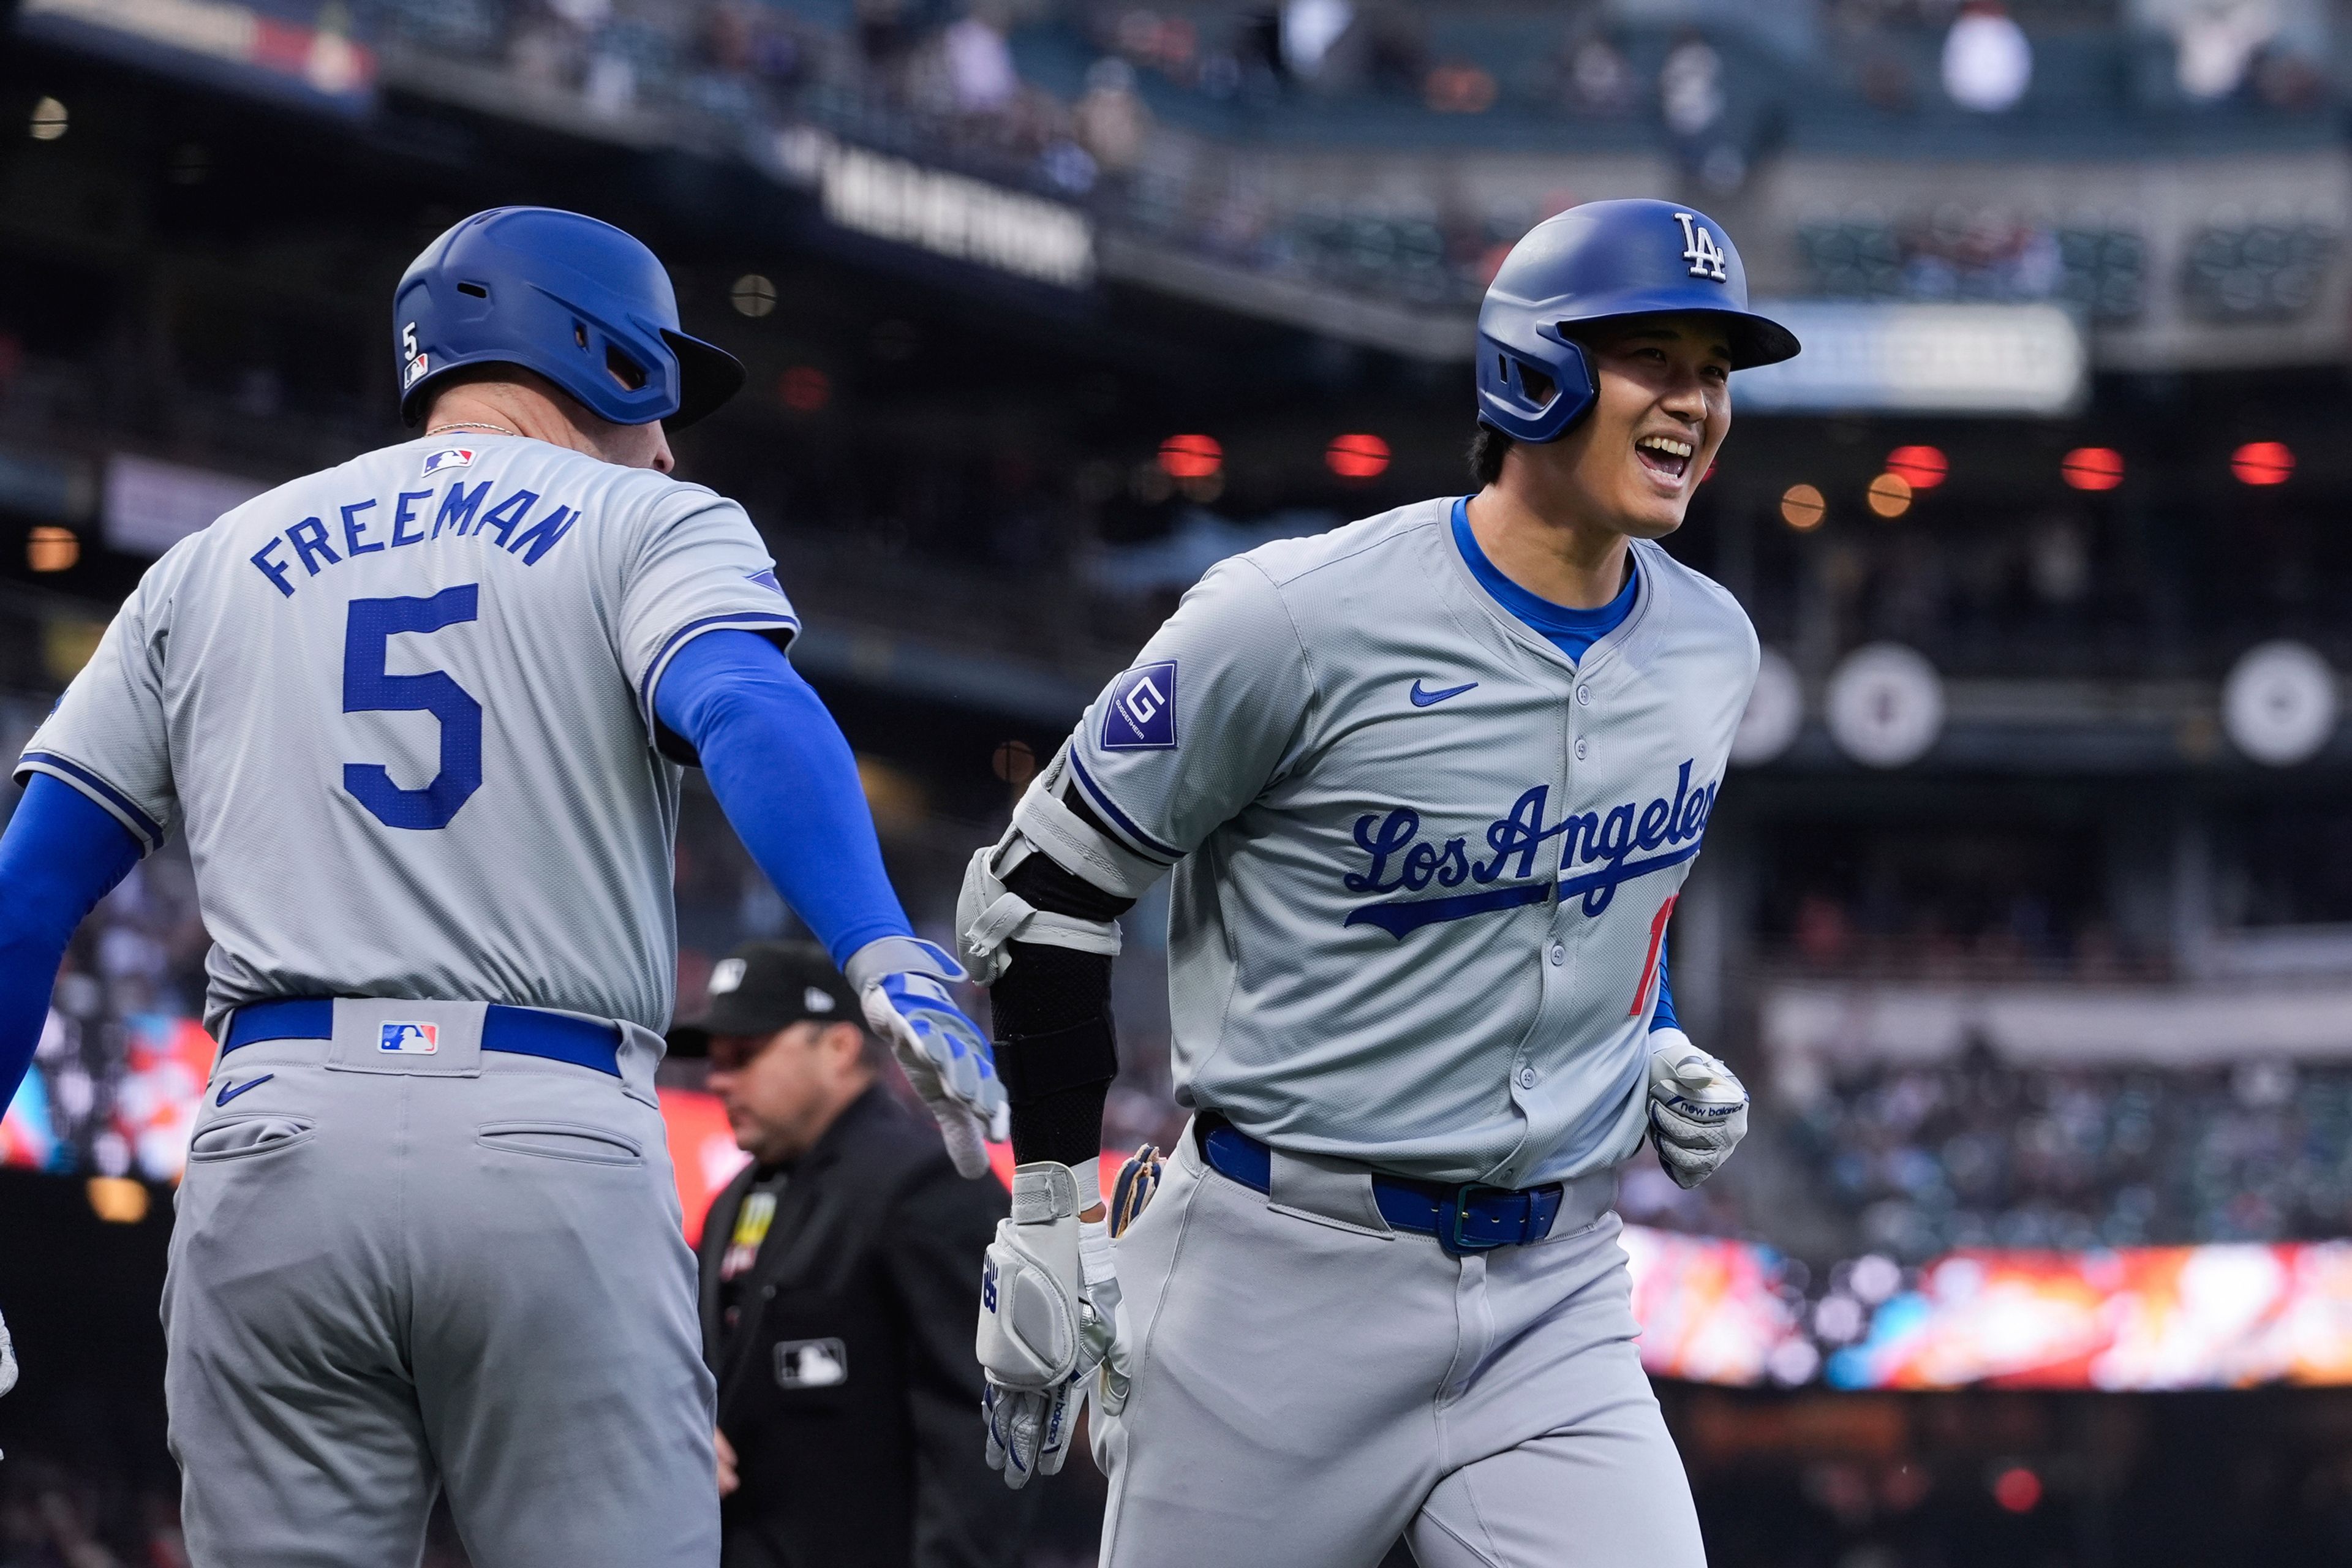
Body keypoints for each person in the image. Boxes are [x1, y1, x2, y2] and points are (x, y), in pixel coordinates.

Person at [0, 206, 1003, 1567]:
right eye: (664, 390)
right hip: (543, 1129)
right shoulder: (647, 516)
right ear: (607, 358)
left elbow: (29, 890)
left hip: (270, 1141)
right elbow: (745, 703)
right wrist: (878, 939)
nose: (670, 439)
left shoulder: (211, 559)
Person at [952, 199, 1798, 1566]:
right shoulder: (1291, 616)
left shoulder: (1714, 644)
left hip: (1557, 1295)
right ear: (1537, 372)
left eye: (1714, 371)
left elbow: (1610, 890)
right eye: (1654, 357)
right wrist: (1046, 1205)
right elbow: (1043, 884)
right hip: (1275, 1285)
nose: (1693, 402)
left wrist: (1652, 1035)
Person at [676, 941, 1035, 1568]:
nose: (718, 1078)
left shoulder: (929, 1181)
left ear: (839, 1046)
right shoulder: (736, 1194)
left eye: (746, 1053)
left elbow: (984, 1429)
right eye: (714, 1058)